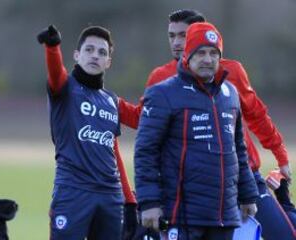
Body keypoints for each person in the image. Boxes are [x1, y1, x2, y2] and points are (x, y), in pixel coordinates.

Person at [118, 9, 296, 239]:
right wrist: (110, 104)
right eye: (172, 36)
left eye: (183, 35)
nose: (176, 42)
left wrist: (280, 155)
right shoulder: (161, 81)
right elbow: (145, 129)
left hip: (243, 177)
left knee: (283, 234)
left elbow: (257, 116)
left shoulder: (232, 75)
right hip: (190, 188)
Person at [134, 22, 259, 240]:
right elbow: (146, 150)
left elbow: (238, 150)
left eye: (213, 53)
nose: (208, 59)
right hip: (182, 217)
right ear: (187, 55)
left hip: (224, 216)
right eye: (200, 53)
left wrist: (248, 194)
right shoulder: (162, 94)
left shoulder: (231, 94)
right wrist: (149, 202)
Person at [37, 25, 137, 240]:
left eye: (102, 53)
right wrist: (52, 47)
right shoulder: (65, 87)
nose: (95, 56)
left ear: (108, 62)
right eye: (89, 50)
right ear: (77, 55)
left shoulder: (112, 101)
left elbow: (141, 121)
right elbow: (56, 74)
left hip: (111, 197)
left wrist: (129, 201)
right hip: (74, 192)